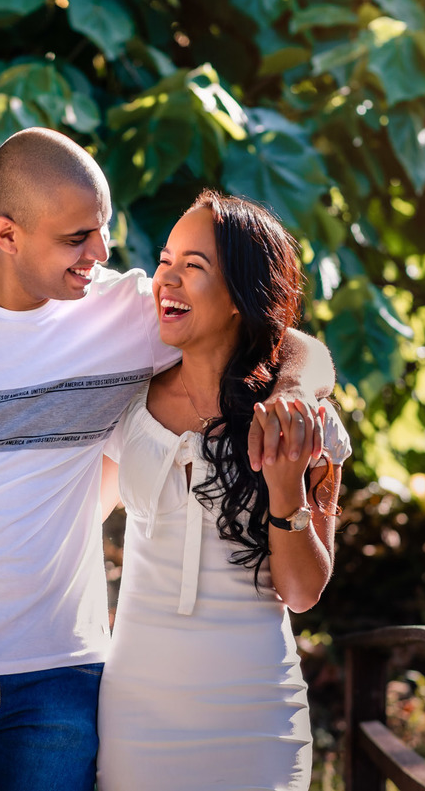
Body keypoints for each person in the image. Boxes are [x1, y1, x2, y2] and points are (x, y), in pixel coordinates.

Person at [0, 126, 335, 791]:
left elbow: (275, 334)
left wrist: (288, 393)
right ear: (7, 234)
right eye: (76, 237)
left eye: (103, 229)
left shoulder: (128, 314)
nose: (103, 252)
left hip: (59, 669)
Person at [94, 191, 351, 790]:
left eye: (194, 267)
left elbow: (303, 590)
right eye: (165, 261)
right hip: (137, 716)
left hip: (258, 719)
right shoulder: (129, 407)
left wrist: (286, 490)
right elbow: (65, 514)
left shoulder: (302, 423)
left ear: (239, 296)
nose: (167, 280)